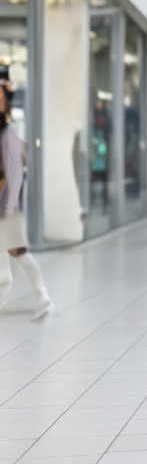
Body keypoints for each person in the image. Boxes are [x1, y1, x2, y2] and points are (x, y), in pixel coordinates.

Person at [0, 80, 54, 319]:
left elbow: (14, 176)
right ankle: (44, 298)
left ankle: (44, 298)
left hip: (5, 209)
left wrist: (7, 209)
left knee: (16, 255)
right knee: (15, 256)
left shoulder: (8, 135)